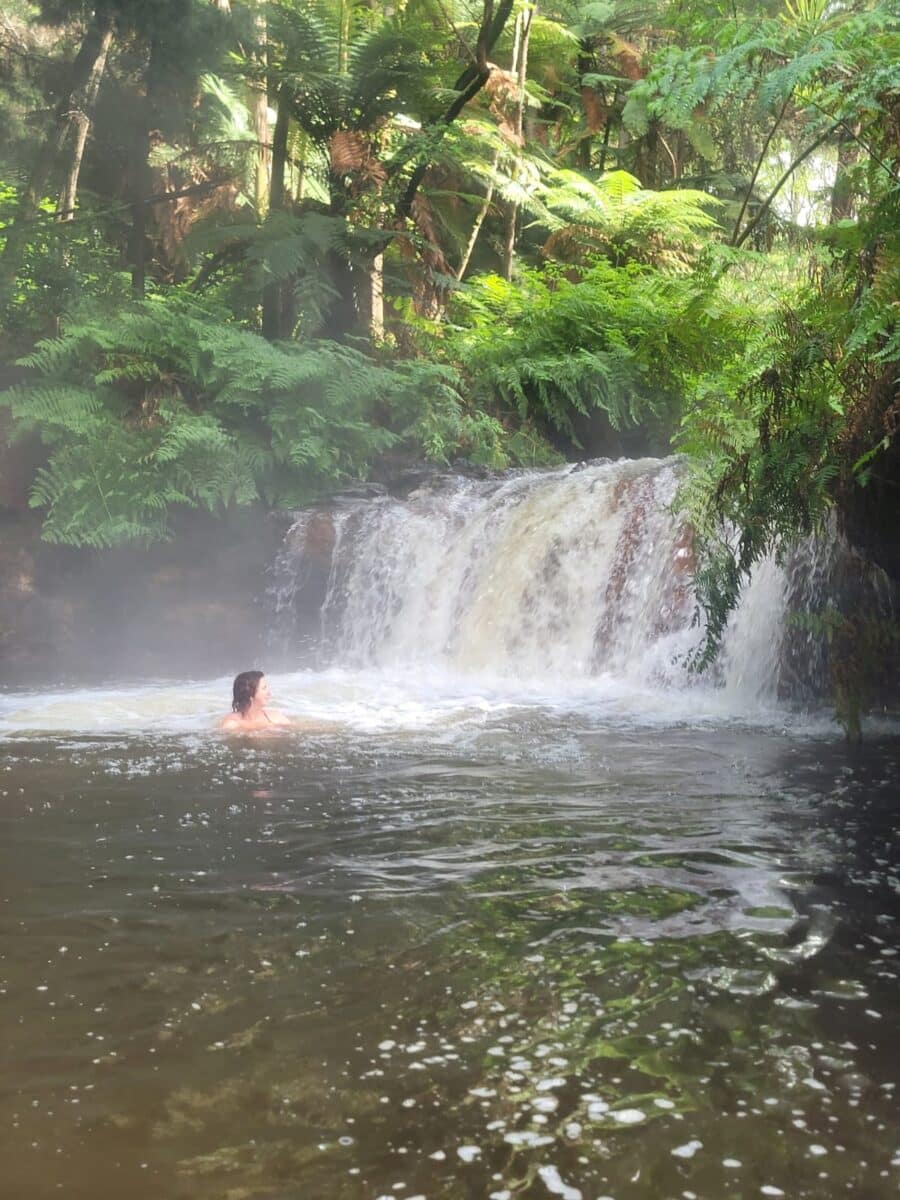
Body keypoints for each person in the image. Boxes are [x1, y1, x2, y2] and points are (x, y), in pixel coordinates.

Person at [219, 670, 292, 732]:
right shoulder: (232, 724)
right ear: (250, 694)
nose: (269, 693)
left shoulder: (275, 718)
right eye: (264, 688)